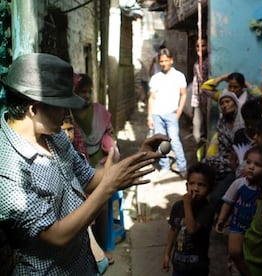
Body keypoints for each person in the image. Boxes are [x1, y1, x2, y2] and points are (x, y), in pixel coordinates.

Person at [0, 53, 166, 274]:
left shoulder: (53, 135)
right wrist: (109, 188)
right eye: (61, 106)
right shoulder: (8, 168)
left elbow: (90, 179)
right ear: (34, 109)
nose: (68, 113)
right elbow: (57, 235)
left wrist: (141, 156)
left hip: (83, 263)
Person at [71, 73, 119, 262]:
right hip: (79, 167)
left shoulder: (99, 111)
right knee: (83, 211)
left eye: (89, 92)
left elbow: (110, 137)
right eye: (83, 91)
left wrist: (108, 163)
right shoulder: (68, 115)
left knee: (102, 206)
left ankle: (102, 247)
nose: (87, 95)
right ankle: (91, 251)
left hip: (101, 164)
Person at [61, 113, 110, 274]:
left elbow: (89, 176)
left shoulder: (71, 150)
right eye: (64, 130)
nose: (68, 135)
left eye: (70, 130)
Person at [215, 145, 262, 275]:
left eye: (257, 164)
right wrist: (221, 219)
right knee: (234, 251)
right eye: (248, 162)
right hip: (237, 225)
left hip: (255, 231)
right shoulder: (239, 183)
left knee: (250, 254)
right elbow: (228, 202)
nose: (251, 167)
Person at [162, 162, 216, 276]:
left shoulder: (207, 209)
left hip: (197, 268)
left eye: (201, 185)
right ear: (186, 186)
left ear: (210, 189)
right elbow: (173, 230)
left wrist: (187, 204)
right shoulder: (178, 206)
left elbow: (191, 229)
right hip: (178, 264)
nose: (195, 188)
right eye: (192, 184)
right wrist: (167, 253)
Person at [147, 48, 187, 178]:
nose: (163, 63)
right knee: (161, 142)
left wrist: (179, 112)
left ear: (171, 60)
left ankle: (182, 167)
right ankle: (165, 166)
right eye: (161, 61)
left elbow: (183, 94)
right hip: (157, 114)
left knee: (174, 140)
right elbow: (152, 98)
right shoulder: (156, 78)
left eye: (166, 60)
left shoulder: (179, 76)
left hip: (171, 114)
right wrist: (149, 116)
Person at [203, 91, 245, 210]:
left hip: (242, 161)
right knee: (206, 162)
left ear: (235, 104)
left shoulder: (243, 123)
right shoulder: (222, 123)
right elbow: (222, 148)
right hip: (226, 159)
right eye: (221, 103)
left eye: (228, 102)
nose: (225, 105)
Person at [191, 36, 210, 145]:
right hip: (198, 99)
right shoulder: (197, 63)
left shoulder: (209, 62)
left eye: (203, 45)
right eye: (197, 46)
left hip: (207, 99)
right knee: (197, 130)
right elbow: (196, 82)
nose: (200, 48)